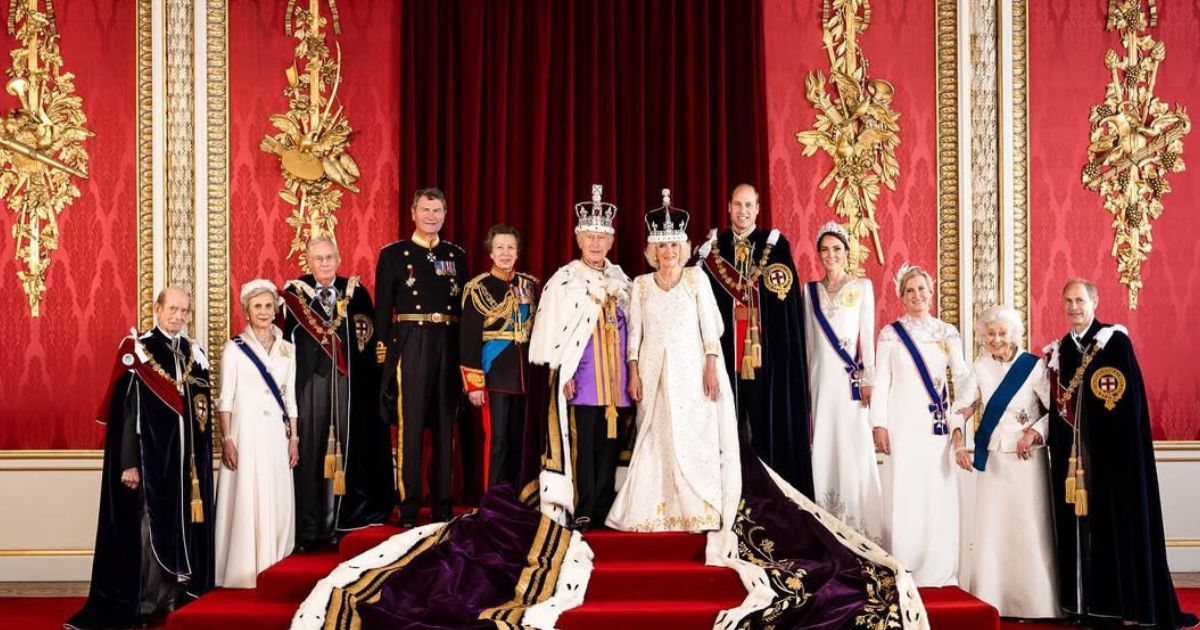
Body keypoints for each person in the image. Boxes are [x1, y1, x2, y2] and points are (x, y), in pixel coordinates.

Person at [1045, 279, 1197, 628]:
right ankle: (1081, 606)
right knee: (1077, 531)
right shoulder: (1061, 350)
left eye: (1080, 300)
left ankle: (1121, 608)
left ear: (1094, 302)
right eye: (1068, 301)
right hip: (1072, 462)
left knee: (1114, 530)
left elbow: (1128, 406)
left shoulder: (1113, 343)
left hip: (1113, 461)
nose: (1074, 307)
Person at [67, 287, 215, 630]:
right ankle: (147, 603)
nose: (178, 316)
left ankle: (172, 598)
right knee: (151, 530)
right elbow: (128, 413)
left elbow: (200, 411)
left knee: (180, 528)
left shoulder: (191, 352)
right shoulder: (139, 350)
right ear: (157, 309)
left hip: (185, 466)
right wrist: (129, 462)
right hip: (151, 463)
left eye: (184, 311)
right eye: (172, 309)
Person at [607, 191, 740, 533]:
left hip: (692, 372)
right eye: (662, 246)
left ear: (683, 248)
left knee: (692, 435)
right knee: (656, 437)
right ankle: (654, 511)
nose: (668, 252)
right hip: (652, 373)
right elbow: (634, 335)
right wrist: (633, 372)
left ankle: (696, 508)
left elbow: (711, 329)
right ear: (653, 250)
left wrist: (711, 367)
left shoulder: (696, 278)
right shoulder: (641, 285)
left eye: (674, 246)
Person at [529, 184, 633, 530]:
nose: (595, 244)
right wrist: (563, 373)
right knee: (583, 446)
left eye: (601, 238)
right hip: (584, 378)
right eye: (589, 237)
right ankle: (584, 506)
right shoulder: (565, 281)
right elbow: (554, 334)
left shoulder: (622, 280)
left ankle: (604, 506)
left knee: (610, 445)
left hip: (617, 381)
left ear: (610, 242)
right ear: (578, 239)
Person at [279, 237, 393, 552]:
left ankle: (343, 521)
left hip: (348, 388)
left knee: (348, 450)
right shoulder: (295, 295)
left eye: (329, 257)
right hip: (310, 387)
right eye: (318, 258)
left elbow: (368, 346)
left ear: (339, 258)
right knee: (313, 451)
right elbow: (285, 347)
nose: (325, 263)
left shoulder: (356, 293)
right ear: (308, 261)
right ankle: (311, 527)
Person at [699, 183, 813, 496]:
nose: (743, 211)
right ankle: (729, 496)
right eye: (738, 204)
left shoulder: (774, 246)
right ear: (728, 207)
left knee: (764, 428)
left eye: (749, 205)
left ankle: (767, 497)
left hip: (764, 356)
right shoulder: (713, 250)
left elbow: (784, 303)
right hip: (725, 355)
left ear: (758, 209)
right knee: (727, 428)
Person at [949, 306, 1059, 619]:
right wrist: (958, 442)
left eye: (1002, 333)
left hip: (1027, 459)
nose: (996, 339)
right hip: (995, 458)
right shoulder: (980, 366)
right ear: (982, 337)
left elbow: (1056, 411)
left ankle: (1037, 604)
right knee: (994, 530)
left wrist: (1035, 433)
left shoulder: (1033, 366)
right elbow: (961, 407)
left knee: (1028, 527)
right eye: (990, 334)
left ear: (1014, 334)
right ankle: (994, 600)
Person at [374, 188, 471, 526]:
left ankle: (443, 504)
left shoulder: (456, 255)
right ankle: (409, 505)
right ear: (413, 213)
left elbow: (464, 309)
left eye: (437, 211)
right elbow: (383, 309)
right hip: (411, 341)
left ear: (444, 215)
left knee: (446, 425)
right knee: (411, 425)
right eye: (425, 210)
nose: (431, 216)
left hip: (448, 341)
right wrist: (383, 353)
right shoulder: (393, 255)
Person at [869, 263, 969, 587]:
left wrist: (964, 410)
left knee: (936, 490)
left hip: (936, 427)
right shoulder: (890, 333)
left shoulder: (947, 332)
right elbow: (881, 381)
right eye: (910, 290)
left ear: (931, 292)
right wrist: (878, 424)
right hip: (901, 424)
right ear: (902, 296)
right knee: (905, 490)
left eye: (922, 289)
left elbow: (962, 377)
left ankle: (940, 565)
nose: (917, 295)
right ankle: (905, 563)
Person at [214, 279, 299, 588]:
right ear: (247, 311)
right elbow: (225, 398)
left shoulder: (287, 349)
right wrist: (228, 439)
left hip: (276, 434)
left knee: (276, 494)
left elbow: (290, 398)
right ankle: (243, 568)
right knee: (247, 494)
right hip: (245, 432)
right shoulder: (234, 348)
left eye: (268, 306)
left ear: (276, 310)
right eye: (257, 306)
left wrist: (294, 438)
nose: (264, 312)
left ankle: (274, 565)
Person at [801, 221, 882, 541]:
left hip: (850, 385)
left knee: (852, 447)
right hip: (821, 381)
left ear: (847, 253)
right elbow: (809, 343)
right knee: (823, 443)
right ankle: (826, 521)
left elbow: (867, 339)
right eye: (825, 249)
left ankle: (859, 526)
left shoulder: (862, 287)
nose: (830, 255)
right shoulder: (809, 291)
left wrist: (869, 379)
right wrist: (807, 385)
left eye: (837, 249)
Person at [459, 225, 538, 490]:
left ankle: (515, 496)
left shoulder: (528, 285)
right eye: (500, 248)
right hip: (494, 375)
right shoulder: (477, 288)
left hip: (523, 376)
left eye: (510, 247)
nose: (505, 253)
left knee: (519, 441)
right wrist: (474, 384)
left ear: (517, 252)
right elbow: (469, 339)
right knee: (497, 441)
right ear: (491, 253)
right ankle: (492, 499)